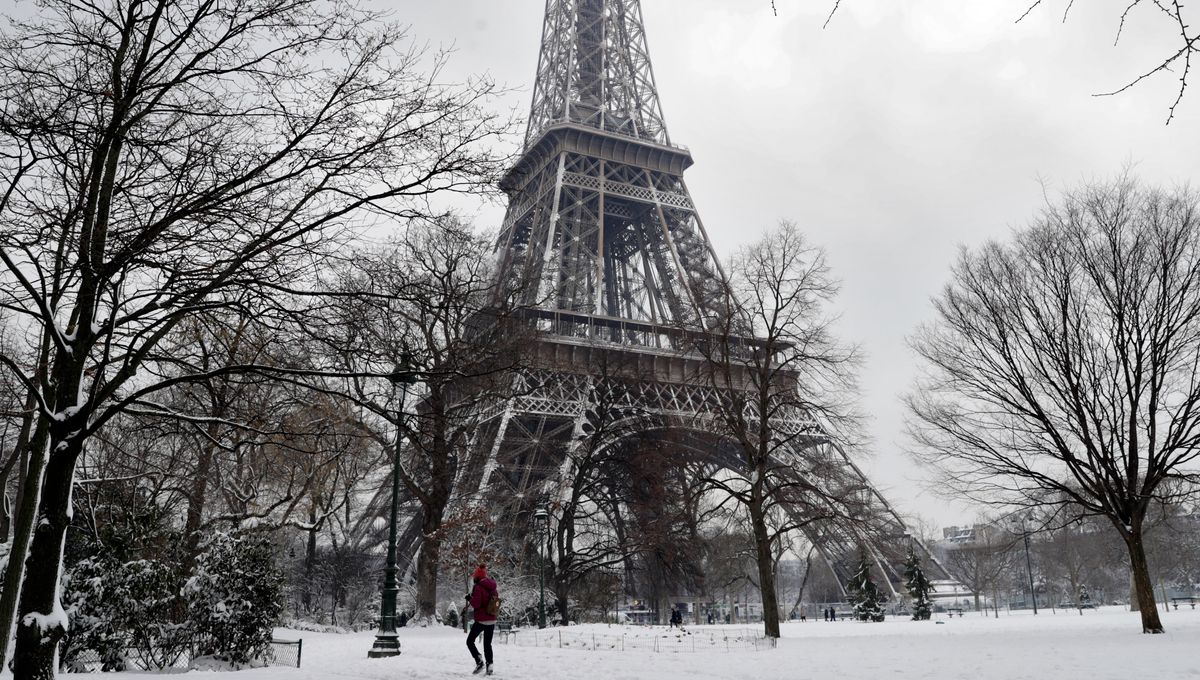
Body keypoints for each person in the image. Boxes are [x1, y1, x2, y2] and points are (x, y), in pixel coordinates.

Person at [466, 564, 499, 675]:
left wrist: (469, 598)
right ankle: (490, 665)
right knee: (487, 644)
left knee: (470, 641)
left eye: (474, 576)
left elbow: (477, 604)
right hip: (492, 619)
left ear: (477, 577)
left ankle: (479, 661)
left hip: (481, 620)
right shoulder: (493, 587)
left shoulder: (478, 587)